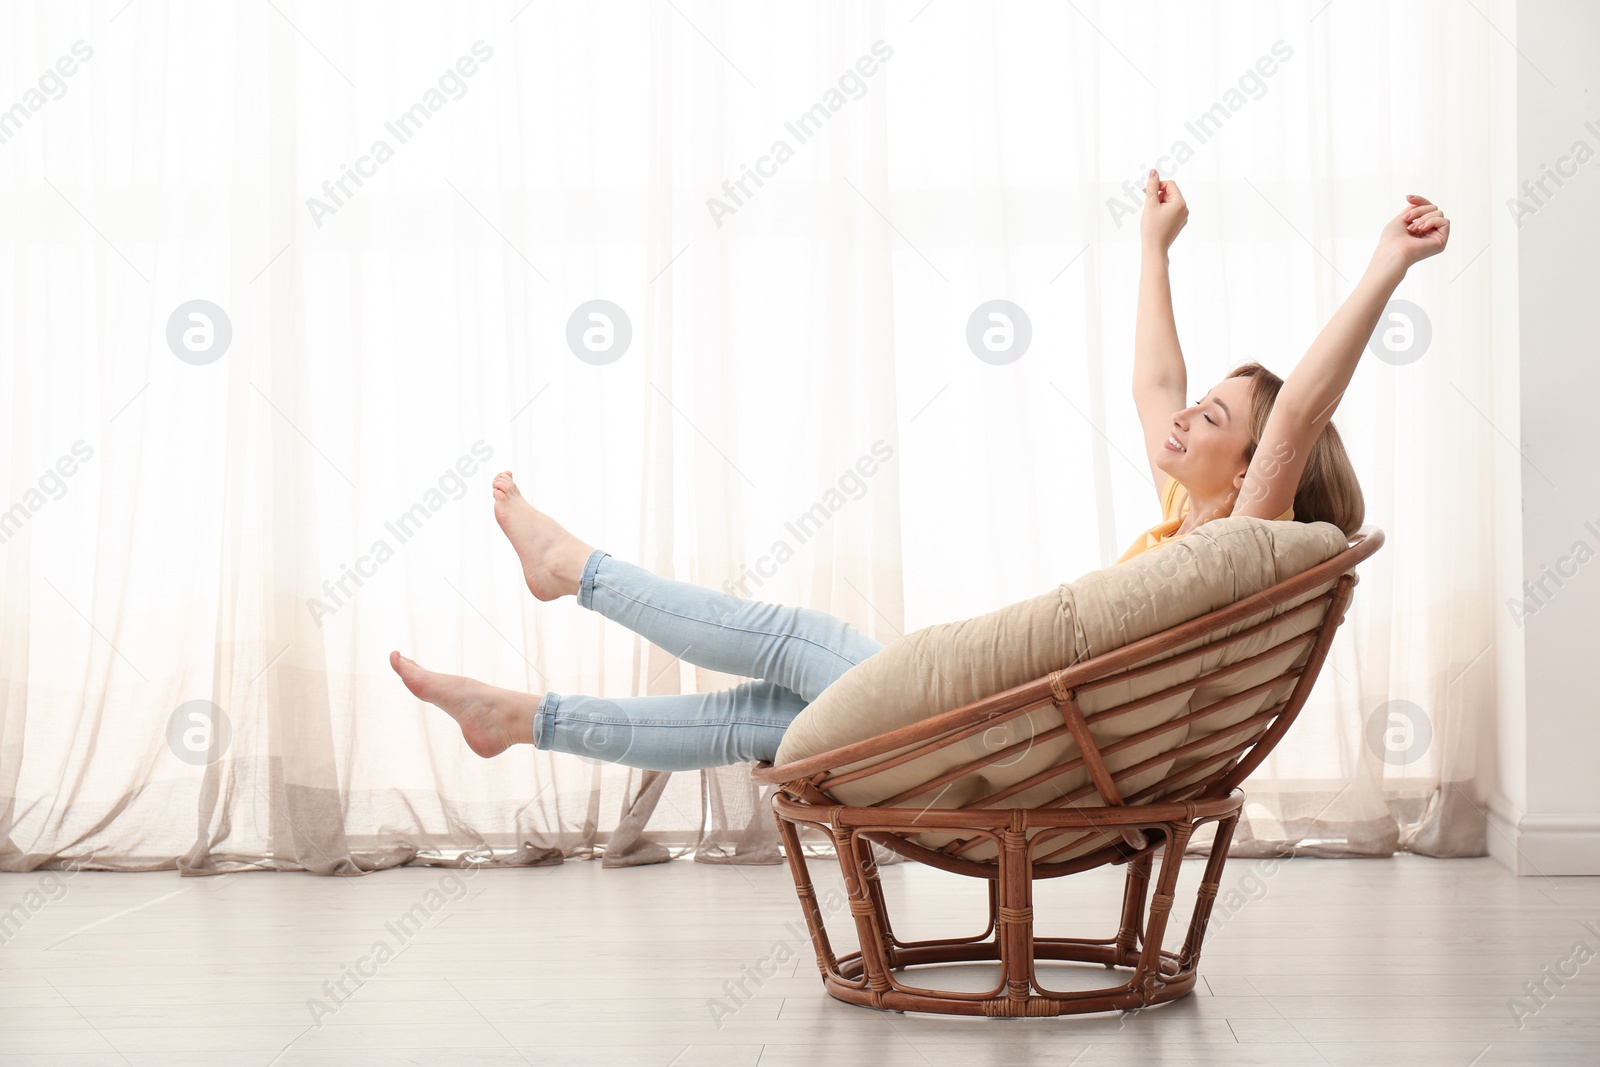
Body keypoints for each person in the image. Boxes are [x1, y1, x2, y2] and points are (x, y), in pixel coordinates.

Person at [391, 172, 1450, 772]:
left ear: (1259, 466)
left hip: (1009, 739)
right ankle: (523, 717)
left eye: (1213, 418)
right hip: (1012, 737)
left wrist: (1383, 266)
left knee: (793, 639)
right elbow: (1152, 380)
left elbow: (1301, 409)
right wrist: (1153, 248)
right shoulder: (1194, 528)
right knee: (765, 718)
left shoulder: (1241, 540)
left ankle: (575, 569)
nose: (1180, 418)